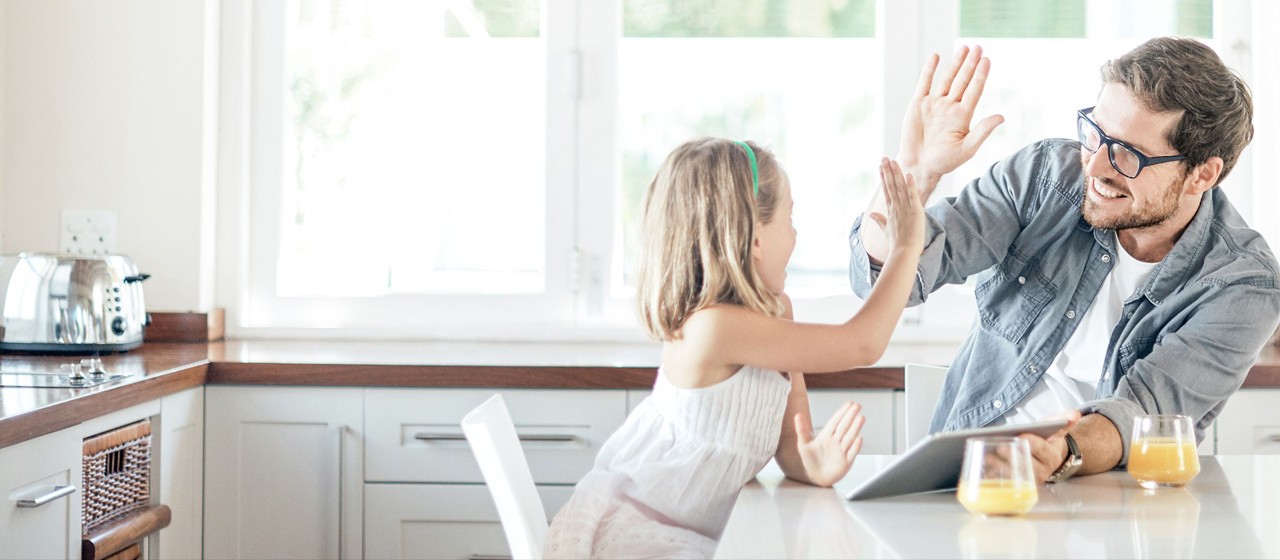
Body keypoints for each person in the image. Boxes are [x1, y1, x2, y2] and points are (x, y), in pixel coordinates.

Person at [850, 38, 1280, 484]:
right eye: (1095, 133)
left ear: (1203, 174)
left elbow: (1147, 412)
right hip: (971, 480)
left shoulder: (1242, 284)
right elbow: (888, 283)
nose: (1095, 168)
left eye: (1127, 155)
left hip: (1110, 500)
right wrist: (915, 174)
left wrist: (1060, 453)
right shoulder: (1044, 177)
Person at [544, 138, 925, 558]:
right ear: (756, 238)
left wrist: (811, 463)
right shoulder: (712, 329)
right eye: (790, 218)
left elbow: (788, 441)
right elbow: (863, 344)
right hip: (639, 530)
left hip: (705, 533)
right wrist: (905, 249)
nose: (796, 234)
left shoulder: (777, 313)